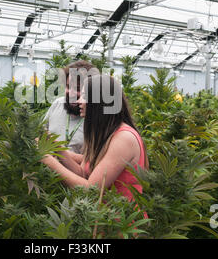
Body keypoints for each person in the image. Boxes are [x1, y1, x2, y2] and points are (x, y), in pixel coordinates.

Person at [41, 74, 149, 202]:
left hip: (121, 220)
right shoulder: (102, 133)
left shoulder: (124, 138)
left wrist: (47, 160)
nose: (79, 100)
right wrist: (57, 149)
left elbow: (91, 190)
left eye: (85, 96)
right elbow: (83, 173)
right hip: (101, 218)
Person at [43, 60, 98, 154]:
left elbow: (93, 161)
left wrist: (59, 154)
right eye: (68, 87)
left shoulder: (97, 118)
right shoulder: (58, 104)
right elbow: (42, 131)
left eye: (78, 89)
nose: (72, 93)